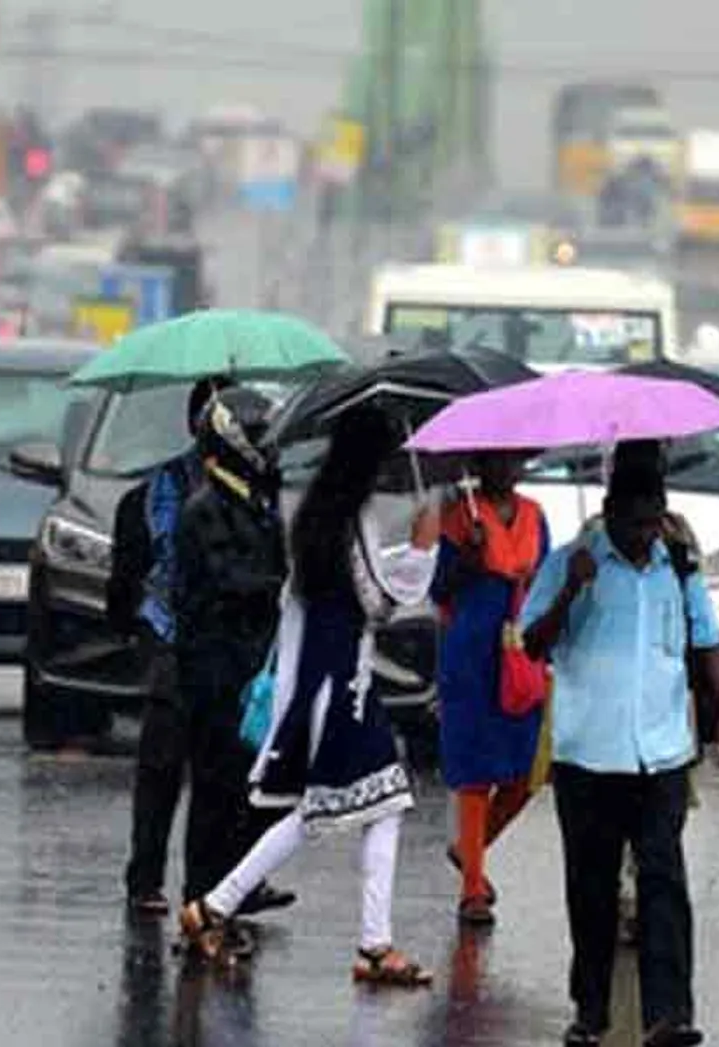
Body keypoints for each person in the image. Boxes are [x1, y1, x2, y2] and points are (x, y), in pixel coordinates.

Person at [181, 406, 440, 986]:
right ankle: (224, 907)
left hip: (329, 685)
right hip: (343, 689)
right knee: (349, 809)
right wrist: (423, 551)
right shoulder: (353, 520)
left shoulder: (319, 517)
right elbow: (376, 602)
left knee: (361, 807)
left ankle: (222, 906)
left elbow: (353, 586)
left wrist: (406, 556)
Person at [522, 463, 719, 1047]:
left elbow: (706, 638)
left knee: (664, 878)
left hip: (661, 753)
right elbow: (531, 645)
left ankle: (669, 1014)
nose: (647, 535)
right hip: (589, 753)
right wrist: (572, 588)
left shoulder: (679, 565)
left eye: (654, 522)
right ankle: (589, 1013)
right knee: (590, 888)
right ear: (611, 513)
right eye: (636, 524)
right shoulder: (572, 559)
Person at [111, 377, 275, 916]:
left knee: (231, 773)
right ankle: (148, 879)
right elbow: (164, 561)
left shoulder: (254, 490)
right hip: (175, 638)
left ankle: (229, 885)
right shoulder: (173, 490)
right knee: (163, 764)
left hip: (229, 651)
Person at [173, 387, 289, 914]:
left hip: (250, 664)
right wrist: (279, 585)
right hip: (215, 667)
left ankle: (236, 888)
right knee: (215, 790)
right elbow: (229, 581)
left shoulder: (255, 499)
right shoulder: (206, 507)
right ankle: (201, 898)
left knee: (251, 785)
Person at [434, 451, 550, 927]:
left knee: (526, 771)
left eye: (514, 460)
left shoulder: (534, 515)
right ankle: (471, 890)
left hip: (520, 647)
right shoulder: (458, 516)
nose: (507, 468)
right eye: (497, 460)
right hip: (471, 652)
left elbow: (546, 578)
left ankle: (469, 850)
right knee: (476, 771)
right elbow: (439, 588)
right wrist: (468, 559)